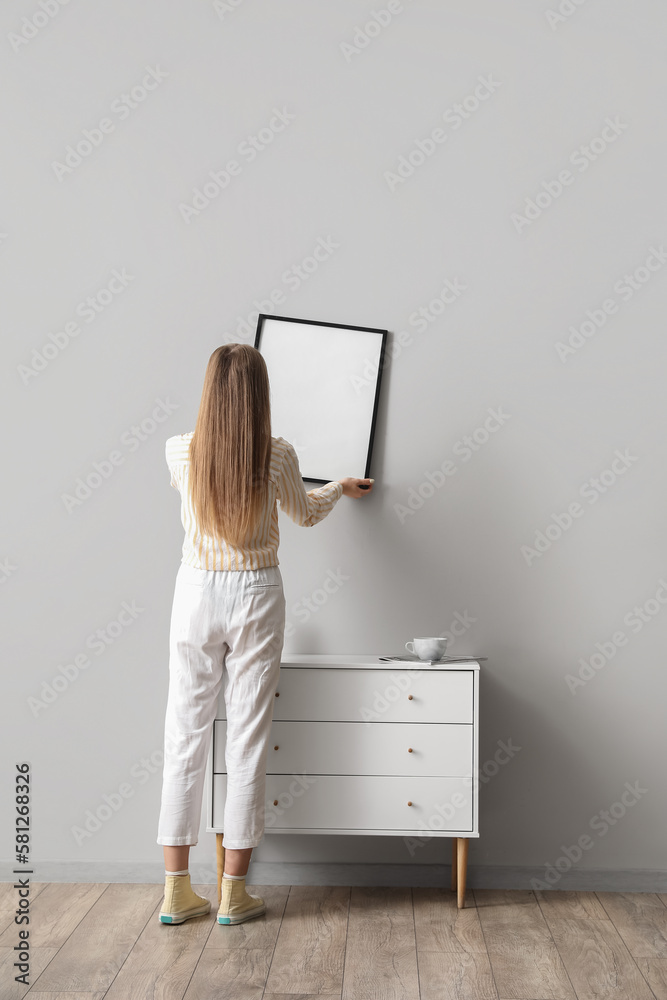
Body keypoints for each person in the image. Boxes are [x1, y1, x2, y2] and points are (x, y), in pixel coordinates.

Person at [156, 343, 374, 926]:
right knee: (247, 740)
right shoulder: (276, 455)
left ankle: (177, 891)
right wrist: (340, 489)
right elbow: (304, 514)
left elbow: (204, 482)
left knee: (185, 735)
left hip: (195, 594)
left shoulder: (179, 451)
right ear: (260, 393)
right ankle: (234, 893)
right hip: (256, 593)